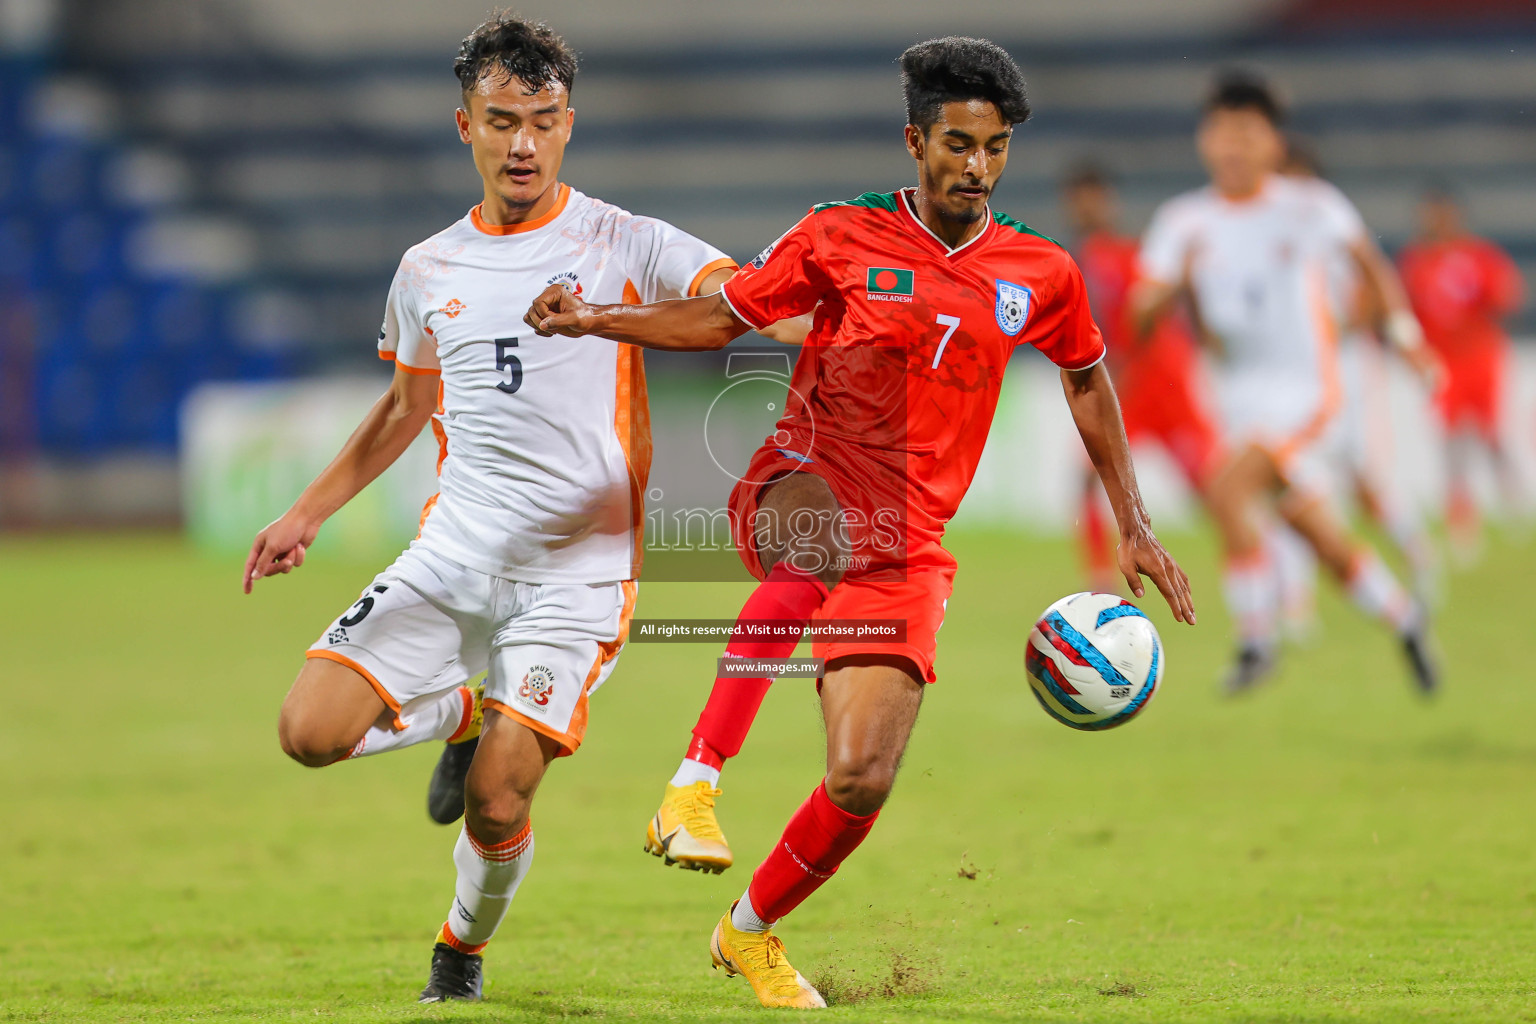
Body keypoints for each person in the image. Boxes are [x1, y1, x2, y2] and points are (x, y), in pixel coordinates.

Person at [524, 36, 1195, 1008]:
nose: (978, 167)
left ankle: (748, 932)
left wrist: (1132, 518)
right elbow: (725, 320)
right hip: (801, 481)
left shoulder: (1037, 272)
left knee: (861, 777)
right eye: (959, 144)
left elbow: (1088, 375)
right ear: (915, 140)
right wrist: (593, 319)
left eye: (996, 148)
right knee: (817, 540)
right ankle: (692, 787)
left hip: (908, 551)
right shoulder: (839, 235)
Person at [241, 14, 756, 1003]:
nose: (524, 142)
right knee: (307, 731)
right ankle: (466, 708)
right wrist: (307, 512)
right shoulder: (428, 268)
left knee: (497, 795)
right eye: (502, 120)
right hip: (455, 551)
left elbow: (738, 299)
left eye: (544, 120)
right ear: (465, 128)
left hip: (579, 574)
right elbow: (406, 406)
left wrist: (617, 316)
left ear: (570, 126)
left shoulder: (623, 240)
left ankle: (459, 952)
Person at [1132, 71, 1439, 696]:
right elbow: (1138, 315)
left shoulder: (1308, 206)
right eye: (1222, 131)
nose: (1234, 145)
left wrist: (1406, 337)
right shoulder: (1184, 221)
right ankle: (1404, 618)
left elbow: (1371, 268)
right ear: (1204, 140)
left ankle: (1255, 642)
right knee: (1319, 537)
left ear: (1274, 143)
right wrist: (1174, 287)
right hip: (1239, 400)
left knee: (1224, 489)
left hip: (1305, 394)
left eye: (1248, 132)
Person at [1277, 138, 1440, 613]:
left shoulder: (1334, 231)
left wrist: (1343, 326)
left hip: (1345, 364)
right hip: (1299, 370)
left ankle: (1416, 551)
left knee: (1362, 482)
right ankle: (1296, 602)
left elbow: (1372, 286)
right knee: (1291, 475)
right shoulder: (1277, 239)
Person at [1059, 161, 1223, 593]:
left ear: (1109, 202)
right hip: (1127, 391)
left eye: (1093, 198)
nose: (1085, 207)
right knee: (1086, 474)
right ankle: (1098, 579)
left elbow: (1157, 304)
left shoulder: (1134, 254)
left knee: (1217, 491)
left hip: (1164, 384)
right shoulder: (1080, 258)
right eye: (1078, 200)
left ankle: (1260, 572)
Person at [1398, 185, 1526, 560]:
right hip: (1443, 361)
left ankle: (1514, 504)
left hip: (1481, 355)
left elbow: (1506, 297)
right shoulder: (1416, 261)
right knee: (1452, 441)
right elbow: (1407, 311)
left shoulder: (1480, 256)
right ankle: (1461, 518)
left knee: (1492, 434)